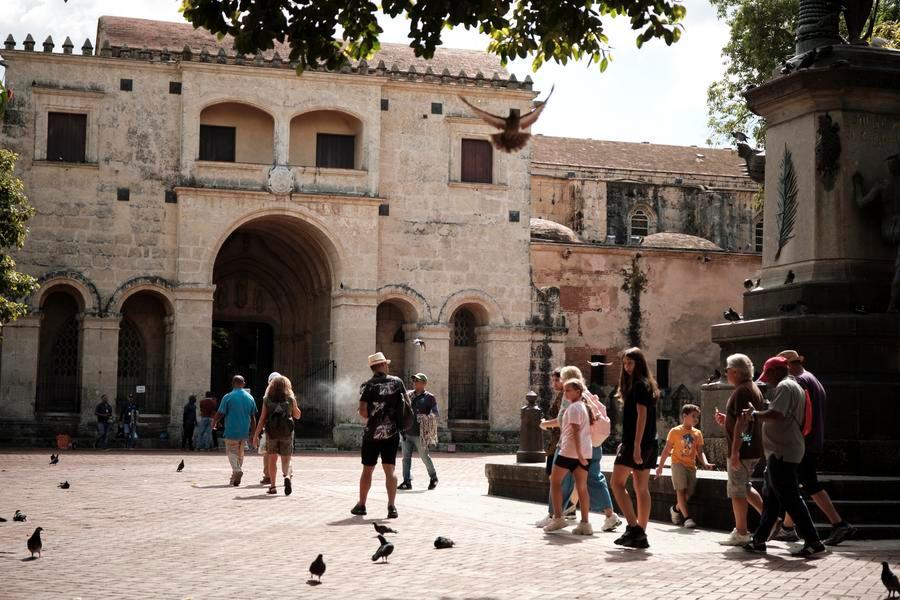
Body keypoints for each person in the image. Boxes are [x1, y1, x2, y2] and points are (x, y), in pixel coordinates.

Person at [741, 356, 826, 558]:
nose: (767, 380)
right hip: (779, 452)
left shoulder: (786, 387)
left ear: (777, 371)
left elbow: (777, 414)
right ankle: (759, 540)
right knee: (771, 498)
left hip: (783, 452)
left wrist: (754, 415)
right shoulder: (791, 386)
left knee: (790, 498)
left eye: (768, 375)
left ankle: (813, 541)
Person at [771, 350, 856, 546]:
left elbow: (799, 414)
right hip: (811, 440)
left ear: (787, 366)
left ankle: (839, 523)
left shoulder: (799, 382)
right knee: (796, 483)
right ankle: (788, 528)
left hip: (803, 442)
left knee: (808, 483)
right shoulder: (812, 378)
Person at [537, 365, 621, 532]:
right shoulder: (586, 396)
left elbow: (568, 424)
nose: (561, 384)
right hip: (592, 445)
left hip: (573, 449)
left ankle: (556, 515)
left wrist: (545, 424)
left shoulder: (571, 400)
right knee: (590, 481)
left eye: (561, 379)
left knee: (558, 481)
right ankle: (596, 517)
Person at [714, 353, 766, 546]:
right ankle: (771, 519)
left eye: (727, 370)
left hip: (743, 451)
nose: (726, 373)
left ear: (735, 371)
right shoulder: (751, 388)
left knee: (737, 491)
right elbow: (742, 424)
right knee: (745, 487)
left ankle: (742, 532)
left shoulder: (741, 391)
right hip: (750, 446)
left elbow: (742, 424)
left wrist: (736, 452)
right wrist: (726, 421)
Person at [610, 347, 659, 549]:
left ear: (639, 364)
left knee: (616, 483)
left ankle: (634, 527)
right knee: (640, 488)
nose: (627, 366)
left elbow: (642, 417)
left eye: (630, 363)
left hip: (639, 443)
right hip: (648, 442)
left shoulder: (639, 385)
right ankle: (641, 533)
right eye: (625, 363)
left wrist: (636, 445)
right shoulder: (645, 384)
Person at [351, 352, 408, 519]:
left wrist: (374, 417)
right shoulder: (397, 382)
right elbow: (406, 404)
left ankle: (362, 505)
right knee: (390, 470)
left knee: (367, 470)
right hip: (392, 432)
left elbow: (362, 411)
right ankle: (391, 506)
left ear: (372, 367)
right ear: (383, 365)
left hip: (372, 434)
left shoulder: (367, 385)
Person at [544, 378, 594, 535]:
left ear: (578, 392)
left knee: (555, 481)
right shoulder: (584, 407)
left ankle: (558, 518)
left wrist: (578, 454)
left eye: (568, 390)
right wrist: (581, 455)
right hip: (585, 452)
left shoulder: (573, 409)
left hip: (570, 452)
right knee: (582, 487)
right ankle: (585, 523)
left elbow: (575, 432)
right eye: (564, 390)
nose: (564, 393)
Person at [656, 404, 714, 529]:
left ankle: (675, 509)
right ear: (684, 416)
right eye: (693, 416)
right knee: (681, 490)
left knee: (689, 493)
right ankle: (687, 518)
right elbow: (666, 450)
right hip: (677, 464)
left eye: (697, 417)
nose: (696, 419)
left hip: (691, 466)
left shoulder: (697, 433)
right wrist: (660, 466)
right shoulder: (675, 431)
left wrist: (705, 463)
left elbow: (700, 451)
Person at [252, 375, 301, 495]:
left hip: (271, 433)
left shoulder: (267, 399)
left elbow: (262, 419)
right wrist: (294, 405)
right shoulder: (290, 399)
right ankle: (287, 477)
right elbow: (297, 415)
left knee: (272, 460)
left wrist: (256, 435)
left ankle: (273, 486)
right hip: (287, 433)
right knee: (286, 459)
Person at [212, 375, 258, 487]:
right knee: (240, 453)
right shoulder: (250, 398)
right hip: (244, 431)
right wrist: (253, 433)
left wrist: (214, 422)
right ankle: (234, 477)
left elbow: (220, 413)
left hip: (231, 430)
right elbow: (253, 417)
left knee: (231, 452)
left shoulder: (228, 397)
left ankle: (237, 471)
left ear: (233, 383)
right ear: (243, 384)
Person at [398, 373, 439, 491]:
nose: (415, 383)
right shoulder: (408, 396)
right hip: (407, 432)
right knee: (406, 458)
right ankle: (407, 481)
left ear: (424, 383)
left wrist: (426, 417)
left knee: (424, 457)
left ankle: (433, 477)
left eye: (418, 381)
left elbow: (435, 413)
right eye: (414, 381)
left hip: (420, 434)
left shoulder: (430, 397)